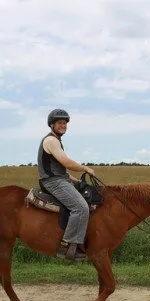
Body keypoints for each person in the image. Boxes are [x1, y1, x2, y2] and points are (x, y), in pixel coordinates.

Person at [37, 108, 95, 261]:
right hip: (53, 182)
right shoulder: (51, 141)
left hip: (60, 179)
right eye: (59, 123)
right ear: (52, 125)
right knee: (81, 207)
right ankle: (67, 246)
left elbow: (60, 170)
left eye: (64, 123)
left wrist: (77, 181)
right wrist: (85, 168)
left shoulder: (56, 141)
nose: (63, 125)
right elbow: (66, 163)